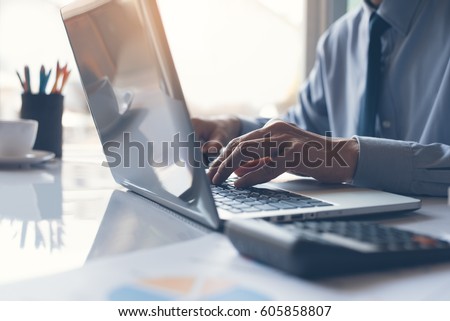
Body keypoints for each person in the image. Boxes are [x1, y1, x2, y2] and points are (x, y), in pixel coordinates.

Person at [192, 0, 450, 197]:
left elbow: (324, 149)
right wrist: (235, 128)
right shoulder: (338, 40)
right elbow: (302, 131)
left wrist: (350, 156)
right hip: (352, 232)